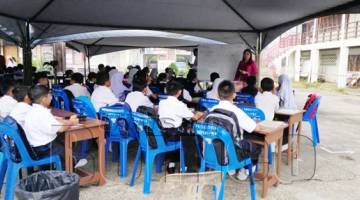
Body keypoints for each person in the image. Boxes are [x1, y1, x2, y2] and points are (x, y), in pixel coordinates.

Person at [209, 80, 262, 180]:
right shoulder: (236, 111)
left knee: (229, 140)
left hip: (213, 151)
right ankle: (244, 171)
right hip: (232, 152)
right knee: (256, 146)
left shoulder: (212, 110)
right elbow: (256, 128)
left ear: (217, 95)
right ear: (234, 95)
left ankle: (229, 169)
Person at [24, 85, 87, 168]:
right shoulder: (42, 113)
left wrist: (67, 121)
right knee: (77, 156)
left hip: (36, 147)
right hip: (45, 148)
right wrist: (71, 122)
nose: (51, 98)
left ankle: (66, 164)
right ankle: (68, 166)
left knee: (64, 140)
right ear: (44, 99)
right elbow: (60, 128)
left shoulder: (32, 110)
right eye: (49, 95)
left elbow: (53, 122)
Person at [158, 81, 203, 173]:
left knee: (176, 132)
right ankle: (188, 167)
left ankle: (171, 164)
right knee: (192, 136)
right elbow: (194, 118)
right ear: (179, 92)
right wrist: (201, 113)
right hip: (175, 135)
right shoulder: (179, 104)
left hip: (163, 134)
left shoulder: (161, 102)